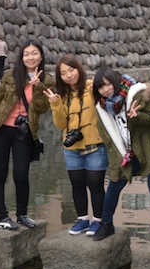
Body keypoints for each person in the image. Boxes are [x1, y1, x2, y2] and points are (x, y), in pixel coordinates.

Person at [91, 67, 150, 247]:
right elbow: (111, 141)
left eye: (108, 84)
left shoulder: (135, 95)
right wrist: (119, 161)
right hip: (130, 152)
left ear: (115, 82)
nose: (106, 89)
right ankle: (106, 224)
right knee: (114, 185)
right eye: (101, 87)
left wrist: (136, 116)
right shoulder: (103, 108)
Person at [0, 39, 54, 230]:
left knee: (21, 175)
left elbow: (42, 109)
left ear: (41, 56)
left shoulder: (47, 80)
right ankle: (2, 216)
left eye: (34, 53)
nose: (30, 57)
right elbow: (0, 99)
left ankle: (22, 214)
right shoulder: (10, 75)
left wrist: (38, 87)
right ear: (21, 57)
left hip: (24, 132)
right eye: (26, 54)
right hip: (1, 129)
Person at [44, 55, 107, 236]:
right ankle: (82, 220)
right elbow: (61, 124)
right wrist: (55, 104)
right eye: (63, 73)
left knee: (95, 185)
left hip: (95, 144)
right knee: (77, 184)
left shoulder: (92, 87)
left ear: (78, 69)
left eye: (71, 70)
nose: (69, 75)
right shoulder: (62, 94)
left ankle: (98, 221)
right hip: (72, 148)